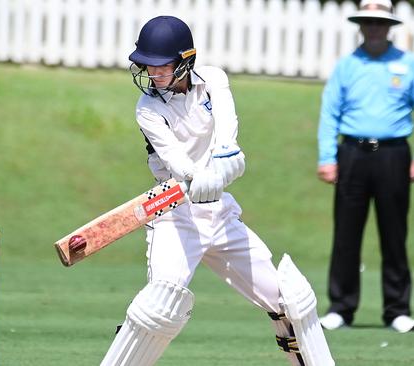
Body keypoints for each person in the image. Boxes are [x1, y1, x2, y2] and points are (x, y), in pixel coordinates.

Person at [100, 16, 333, 366]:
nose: (151, 75)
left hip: (220, 214)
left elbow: (227, 136)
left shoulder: (213, 80)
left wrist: (227, 159)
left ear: (185, 60)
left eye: (160, 67)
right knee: (159, 309)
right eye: (147, 66)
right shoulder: (147, 108)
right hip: (175, 215)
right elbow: (178, 163)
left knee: (291, 304)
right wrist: (205, 174)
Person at [317, 0, 414, 333]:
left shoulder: (407, 63)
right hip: (353, 155)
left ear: (389, 27)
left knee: (394, 232)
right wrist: (327, 157)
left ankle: (398, 309)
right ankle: (341, 308)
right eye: (368, 22)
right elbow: (330, 113)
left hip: (394, 154)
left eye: (380, 23)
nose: (374, 28)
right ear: (361, 26)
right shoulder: (347, 66)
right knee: (346, 233)